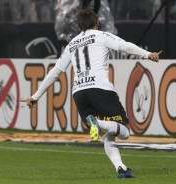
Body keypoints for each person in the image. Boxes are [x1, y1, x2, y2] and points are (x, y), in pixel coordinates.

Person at [21, 9, 161, 178]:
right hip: (100, 88)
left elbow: (55, 72)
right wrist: (147, 54)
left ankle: (121, 169)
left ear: (79, 26)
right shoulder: (101, 35)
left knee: (108, 135)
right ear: (97, 23)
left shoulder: (71, 44)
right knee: (124, 130)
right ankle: (98, 123)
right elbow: (125, 46)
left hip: (79, 93)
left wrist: (35, 96)